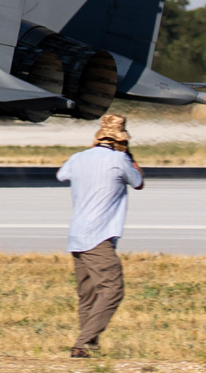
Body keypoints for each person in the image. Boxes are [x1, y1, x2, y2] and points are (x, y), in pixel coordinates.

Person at [58, 114, 144, 357]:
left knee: (88, 295)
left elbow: (61, 175)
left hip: (76, 235)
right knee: (112, 289)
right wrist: (129, 156)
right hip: (99, 236)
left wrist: (89, 152)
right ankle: (83, 342)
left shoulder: (78, 158)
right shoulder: (119, 160)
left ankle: (89, 346)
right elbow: (138, 182)